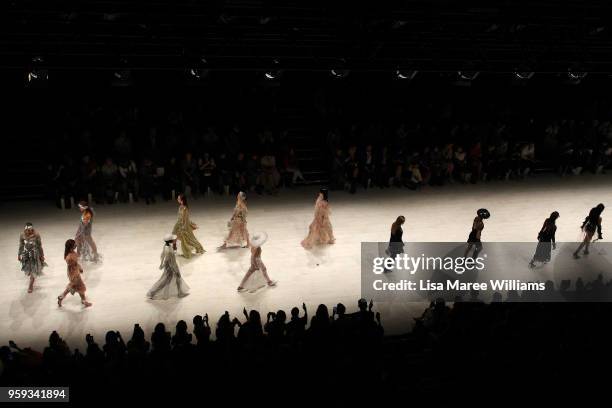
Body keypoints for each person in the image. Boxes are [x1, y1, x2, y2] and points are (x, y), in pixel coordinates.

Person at [147, 234, 190, 300]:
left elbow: (162, 255)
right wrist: (173, 268)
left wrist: (162, 264)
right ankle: (180, 293)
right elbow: (169, 259)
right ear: (171, 241)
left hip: (169, 264)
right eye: (174, 240)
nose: (175, 240)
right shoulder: (169, 249)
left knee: (167, 280)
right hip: (171, 265)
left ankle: (153, 292)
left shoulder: (166, 246)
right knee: (176, 277)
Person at [58, 239, 92, 308]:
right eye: (74, 245)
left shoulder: (72, 254)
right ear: (71, 247)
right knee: (80, 287)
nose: (76, 245)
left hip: (75, 272)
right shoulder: (70, 257)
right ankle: (83, 301)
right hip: (74, 274)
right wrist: (76, 272)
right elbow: (73, 266)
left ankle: (61, 297)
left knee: (74, 286)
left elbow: (75, 264)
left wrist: (79, 268)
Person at [172, 193, 205, 258]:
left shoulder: (185, 208)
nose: (177, 199)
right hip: (178, 224)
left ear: (182, 200)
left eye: (178, 198)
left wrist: (184, 227)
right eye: (178, 198)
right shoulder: (180, 207)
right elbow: (180, 217)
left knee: (189, 239)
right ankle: (174, 249)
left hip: (183, 226)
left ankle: (198, 247)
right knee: (174, 236)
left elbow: (185, 219)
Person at [18, 222, 46, 293]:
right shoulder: (22, 235)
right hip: (26, 255)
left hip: (35, 255)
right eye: (28, 230)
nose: (30, 232)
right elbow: (21, 246)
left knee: (33, 270)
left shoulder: (36, 235)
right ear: (25, 230)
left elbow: (39, 246)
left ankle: (30, 285)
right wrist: (19, 254)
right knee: (29, 270)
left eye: (31, 230)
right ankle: (31, 278)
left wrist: (42, 255)